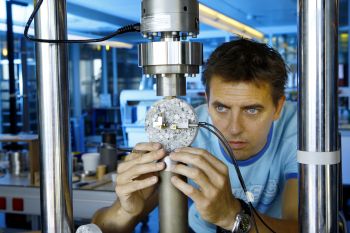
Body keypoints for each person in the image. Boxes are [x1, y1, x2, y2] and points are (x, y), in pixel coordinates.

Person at [92, 38, 298, 233]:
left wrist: (232, 216)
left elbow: (302, 226)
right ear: (207, 101)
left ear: (278, 107)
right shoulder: (185, 129)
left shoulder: (298, 130)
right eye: (221, 108)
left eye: (251, 110)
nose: (234, 128)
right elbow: (100, 227)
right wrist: (125, 211)